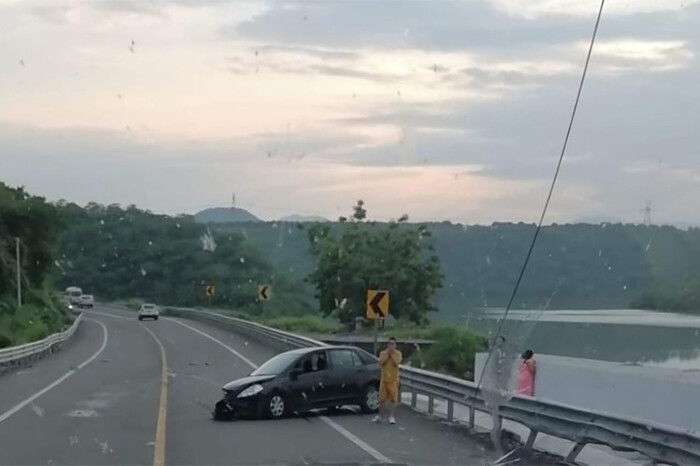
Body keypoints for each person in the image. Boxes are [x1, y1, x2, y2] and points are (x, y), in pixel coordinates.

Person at [373, 337, 402, 424]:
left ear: (395, 345)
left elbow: (396, 363)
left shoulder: (398, 353)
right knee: (382, 399)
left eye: (392, 344)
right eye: (389, 343)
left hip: (393, 379)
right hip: (384, 379)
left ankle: (391, 416)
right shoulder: (383, 353)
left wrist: (391, 355)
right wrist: (387, 354)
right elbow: (380, 363)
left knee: (393, 399)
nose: (391, 345)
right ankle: (380, 415)